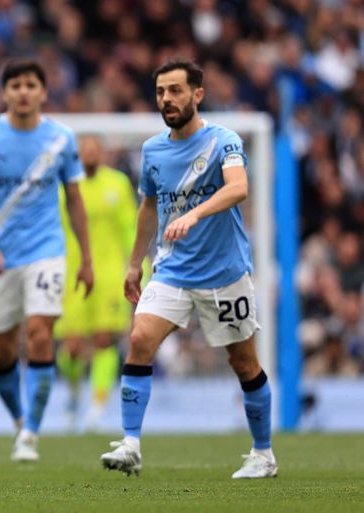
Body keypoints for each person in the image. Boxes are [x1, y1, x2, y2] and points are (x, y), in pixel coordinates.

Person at [99, 59, 277, 479]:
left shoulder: (224, 140)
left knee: (244, 362)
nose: (167, 99)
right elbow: (147, 204)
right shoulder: (152, 149)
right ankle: (131, 445)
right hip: (173, 270)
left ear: (198, 94)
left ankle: (264, 453)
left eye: (176, 90)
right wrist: (132, 263)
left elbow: (239, 187)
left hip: (225, 272)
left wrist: (194, 215)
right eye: (161, 91)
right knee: (140, 336)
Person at [0, 59, 93, 462]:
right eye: (15, 85)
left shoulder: (61, 139)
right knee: (1, 351)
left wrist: (86, 258)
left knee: (39, 333)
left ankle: (32, 432)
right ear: (5, 92)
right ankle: (19, 419)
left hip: (47, 251)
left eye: (30, 85)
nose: (23, 91)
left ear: (43, 92)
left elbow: (74, 200)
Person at [55, 135, 137, 432]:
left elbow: (130, 226)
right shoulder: (65, 187)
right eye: (83, 150)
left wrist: (138, 264)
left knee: (105, 339)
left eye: (94, 149)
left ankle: (97, 407)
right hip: (72, 274)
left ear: (102, 154)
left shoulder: (117, 184)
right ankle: (75, 392)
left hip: (110, 273)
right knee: (73, 345)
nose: (89, 155)